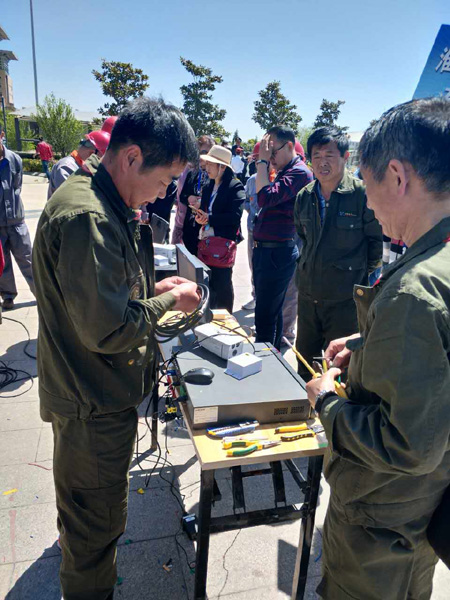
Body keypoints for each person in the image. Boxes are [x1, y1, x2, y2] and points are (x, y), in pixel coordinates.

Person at [32, 97, 200, 600]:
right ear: (131, 158)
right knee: (94, 530)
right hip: (93, 404)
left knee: (87, 517)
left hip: (90, 393)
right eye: (165, 180)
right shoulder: (90, 217)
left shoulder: (99, 199)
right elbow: (106, 330)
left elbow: (106, 290)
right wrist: (170, 301)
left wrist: (152, 288)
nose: (165, 193)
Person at [306, 97, 450, 600]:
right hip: (423, 511)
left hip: (382, 519)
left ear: (397, 176)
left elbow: (406, 444)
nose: (367, 202)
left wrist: (327, 402)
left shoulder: (414, 291)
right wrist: (366, 344)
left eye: (367, 185)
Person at [294, 127, 382, 381]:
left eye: (329, 155)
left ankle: (333, 407)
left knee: (339, 367)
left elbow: (376, 243)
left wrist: (354, 276)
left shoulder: (361, 195)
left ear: (345, 156)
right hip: (308, 297)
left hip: (345, 302)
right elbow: (303, 238)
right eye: (316, 156)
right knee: (305, 363)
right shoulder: (304, 196)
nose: (322, 162)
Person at [253, 126, 313, 349]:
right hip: (269, 251)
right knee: (271, 312)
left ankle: (263, 360)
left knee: (265, 316)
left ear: (289, 146)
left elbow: (265, 198)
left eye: (272, 152)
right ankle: (271, 356)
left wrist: (262, 163)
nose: (270, 157)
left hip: (277, 252)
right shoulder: (286, 171)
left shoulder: (299, 172)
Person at [194, 145, 245, 312]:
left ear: (222, 167)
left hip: (222, 244)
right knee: (207, 284)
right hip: (206, 241)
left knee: (222, 284)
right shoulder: (208, 185)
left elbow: (234, 217)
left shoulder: (235, 186)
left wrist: (210, 218)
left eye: (211, 164)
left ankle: (225, 318)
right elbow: (205, 210)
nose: (206, 167)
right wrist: (200, 218)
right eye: (206, 163)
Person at [0, 140, 35, 310]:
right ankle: (8, 296)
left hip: (16, 220)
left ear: (1, 135)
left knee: (27, 257)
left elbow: (17, 186)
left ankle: (42, 293)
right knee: (3, 262)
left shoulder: (14, 159)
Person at [172, 135, 215, 255]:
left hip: (208, 228)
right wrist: (189, 198)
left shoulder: (216, 175)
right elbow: (182, 196)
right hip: (189, 225)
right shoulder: (191, 171)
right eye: (203, 152)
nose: (205, 156)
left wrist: (202, 201)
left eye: (210, 152)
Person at [47, 130, 111, 199]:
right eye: (101, 159)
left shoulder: (82, 165)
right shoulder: (66, 166)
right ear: (92, 153)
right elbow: (73, 198)